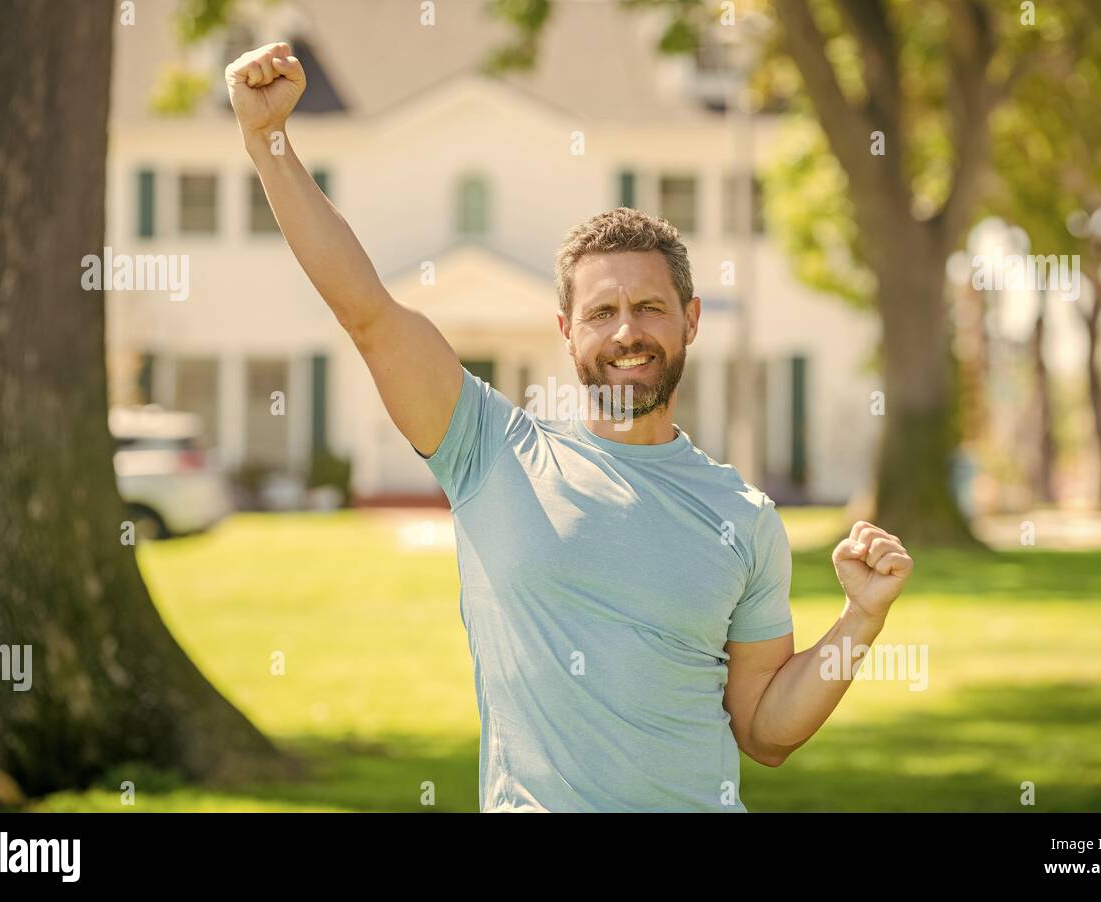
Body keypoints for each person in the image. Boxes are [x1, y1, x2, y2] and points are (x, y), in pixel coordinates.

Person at [226, 42, 915, 812]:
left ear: (690, 321)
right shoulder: (488, 450)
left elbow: (765, 731)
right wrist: (270, 145)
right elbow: (368, 312)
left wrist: (861, 618)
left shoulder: (743, 518)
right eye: (603, 312)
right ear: (566, 329)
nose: (628, 332)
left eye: (650, 308)